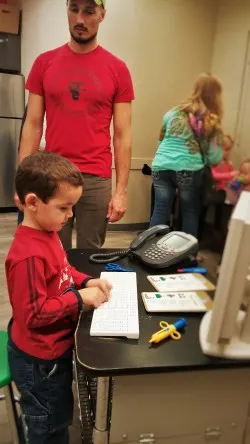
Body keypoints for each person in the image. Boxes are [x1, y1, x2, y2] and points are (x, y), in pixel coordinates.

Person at [6, 151, 112, 444]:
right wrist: (80, 299)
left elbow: (63, 271)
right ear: (32, 202)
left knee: (58, 414)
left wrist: (87, 280)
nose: (70, 216)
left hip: (52, 353)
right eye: (64, 207)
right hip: (39, 362)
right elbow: (35, 314)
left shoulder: (47, 230)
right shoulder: (28, 256)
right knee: (47, 425)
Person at [18, 0, 134, 250]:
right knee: (52, 251)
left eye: (89, 12)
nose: (80, 19)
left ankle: (85, 290)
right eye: (74, 10)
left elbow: (123, 136)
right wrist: (22, 181)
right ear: (67, 10)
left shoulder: (118, 69)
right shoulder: (44, 63)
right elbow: (33, 125)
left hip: (96, 177)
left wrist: (121, 191)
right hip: (52, 175)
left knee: (90, 253)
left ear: (102, 15)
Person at [150, 73, 223, 239]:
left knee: (161, 208)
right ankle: (187, 256)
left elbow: (160, 141)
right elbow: (215, 157)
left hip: (160, 165)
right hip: (188, 168)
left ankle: (148, 249)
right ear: (215, 95)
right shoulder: (211, 120)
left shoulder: (172, 113)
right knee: (190, 211)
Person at [211, 135, 238, 230]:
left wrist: (235, 178)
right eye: (225, 149)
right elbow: (214, 176)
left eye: (228, 150)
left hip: (225, 190)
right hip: (214, 189)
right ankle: (219, 227)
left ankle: (222, 227)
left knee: (229, 203)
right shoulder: (214, 162)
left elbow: (233, 178)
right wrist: (230, 174)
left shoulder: (228, 163)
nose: (226, 153)